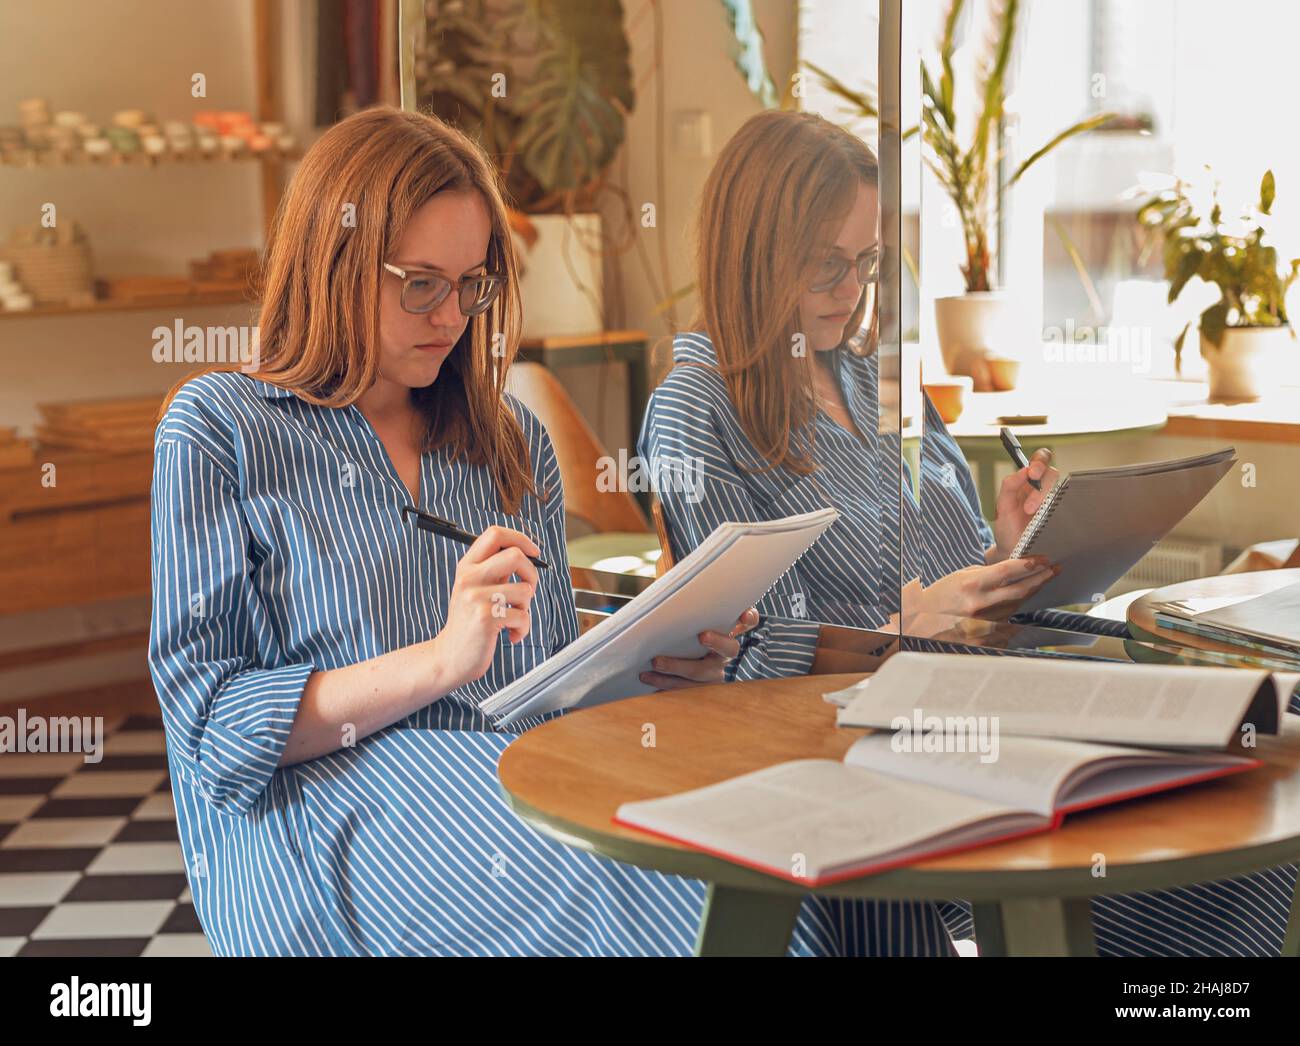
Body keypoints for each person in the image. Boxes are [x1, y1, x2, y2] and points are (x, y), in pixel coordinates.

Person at [150, 106, 951, 956]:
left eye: (472, 284)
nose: (450, 315)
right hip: (326, 815)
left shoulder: (507, 441)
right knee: (691, 888)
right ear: (335, 260)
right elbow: (211, 725)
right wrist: (440, 661)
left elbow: (548, 700)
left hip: (519, 773)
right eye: (420, 282)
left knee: (844, 867)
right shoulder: (219, 429)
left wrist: (665, 670)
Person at [640, 108, 1297, 956]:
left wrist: (1008, 546)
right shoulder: (699, 408)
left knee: (1262, 750)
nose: (852, 291)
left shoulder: (873, 372)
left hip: (1001, 683)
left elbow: (957, 579)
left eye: (868, 262)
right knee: (1214, 824)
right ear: (754, 255)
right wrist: (914, 627)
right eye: (826, 266)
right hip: (884, 740)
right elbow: (747, 666)